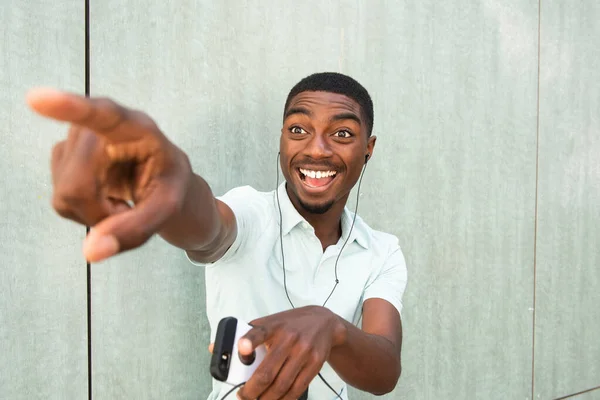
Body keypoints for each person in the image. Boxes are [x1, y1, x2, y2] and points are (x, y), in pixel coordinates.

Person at [27, 72, 408, 400]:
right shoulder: (250, 212)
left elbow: (384, 369)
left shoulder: (381, 250)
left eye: (342, 133)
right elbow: (209, 230)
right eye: (298, 129)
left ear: (368, 148)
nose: (316, 149)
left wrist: (332, 327)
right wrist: (174, 183)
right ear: (281, 139)